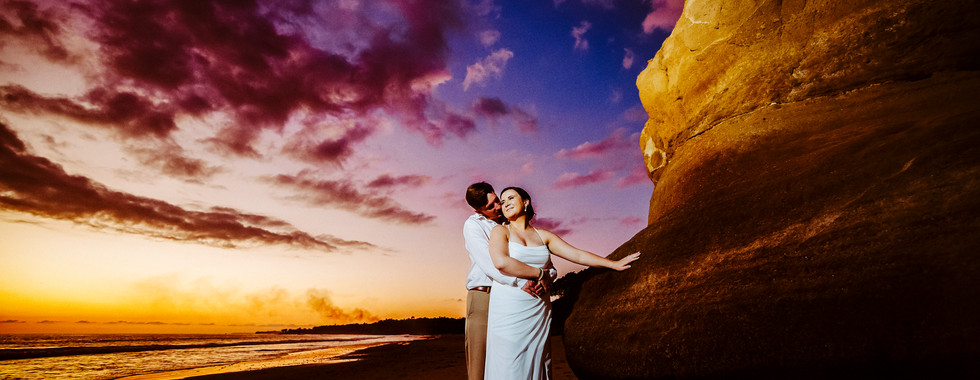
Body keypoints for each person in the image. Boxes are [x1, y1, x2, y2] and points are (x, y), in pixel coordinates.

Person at [485, 186, 641, 380]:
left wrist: (612, 264)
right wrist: (540, 273)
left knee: (538, 359)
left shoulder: (544, 236)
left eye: (510, 197)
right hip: (508, 308)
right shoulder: (500, 231)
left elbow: (576, 254)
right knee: (510, 362)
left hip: (538, 308)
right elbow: (501, 263)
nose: (505, 203)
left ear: (525, 202)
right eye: (503, 200)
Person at [463, 182, 555, 380]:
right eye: (491, 207)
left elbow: (537, 259)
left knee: (510, 364)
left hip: (511, 299)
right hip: (484, 295)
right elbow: (490, 264)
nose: (498, 207)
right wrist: (520, 282)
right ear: (478, 211)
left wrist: (548, 276)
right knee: (479, 368)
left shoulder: (507, 224)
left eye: (497, 200)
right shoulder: (474, 225)